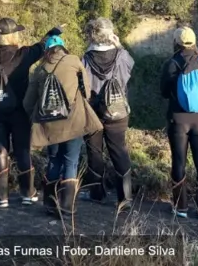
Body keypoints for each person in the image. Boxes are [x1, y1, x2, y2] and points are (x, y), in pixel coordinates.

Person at [0, 18, 62, 208]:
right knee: (22, 149)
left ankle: (1, 197)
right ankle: (28, 193)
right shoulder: (23, 54)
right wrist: (53, 31)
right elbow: (42, 45)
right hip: (20, 110)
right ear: (13, 36)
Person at [23, 33, 103, 226]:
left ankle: (50, 204)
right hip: (73, 121)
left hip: (49, 124)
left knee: (54, 160)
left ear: (47, 51)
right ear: (63, 48)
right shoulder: (74, 61)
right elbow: (87, 91)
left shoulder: (40, 69)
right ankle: (66, 208)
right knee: (71, 161)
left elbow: (28, 102)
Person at [159, 26, 198, 220]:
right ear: (194, 42)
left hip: (178, 121)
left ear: (176, 42)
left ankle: (180, 207)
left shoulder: (171, 64)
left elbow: (163, 92)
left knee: (178, 162)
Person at [79, 18, 135, 212]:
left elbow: (82, 85)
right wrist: (119, 45)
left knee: (94, 151)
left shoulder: (86, 58)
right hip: (117, 112)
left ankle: (96, 193)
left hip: (93, 111)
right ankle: (125, 197)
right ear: (110, 35)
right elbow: (130, 69)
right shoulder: (122, 56)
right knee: (119, 150)